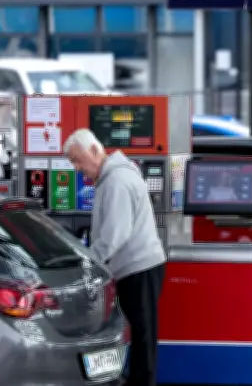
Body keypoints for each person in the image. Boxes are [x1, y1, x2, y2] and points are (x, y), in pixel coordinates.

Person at [63, 129, 166, 386]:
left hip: (138, 267)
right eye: (72, 162)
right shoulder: (113, 177)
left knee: (143, 334)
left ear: (96, 151)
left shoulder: (117, 180)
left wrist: (89, 262)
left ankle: (143, 382)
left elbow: (115, 234)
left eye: (77, 159)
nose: (77, 168)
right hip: (134, 267)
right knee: (140, 333)